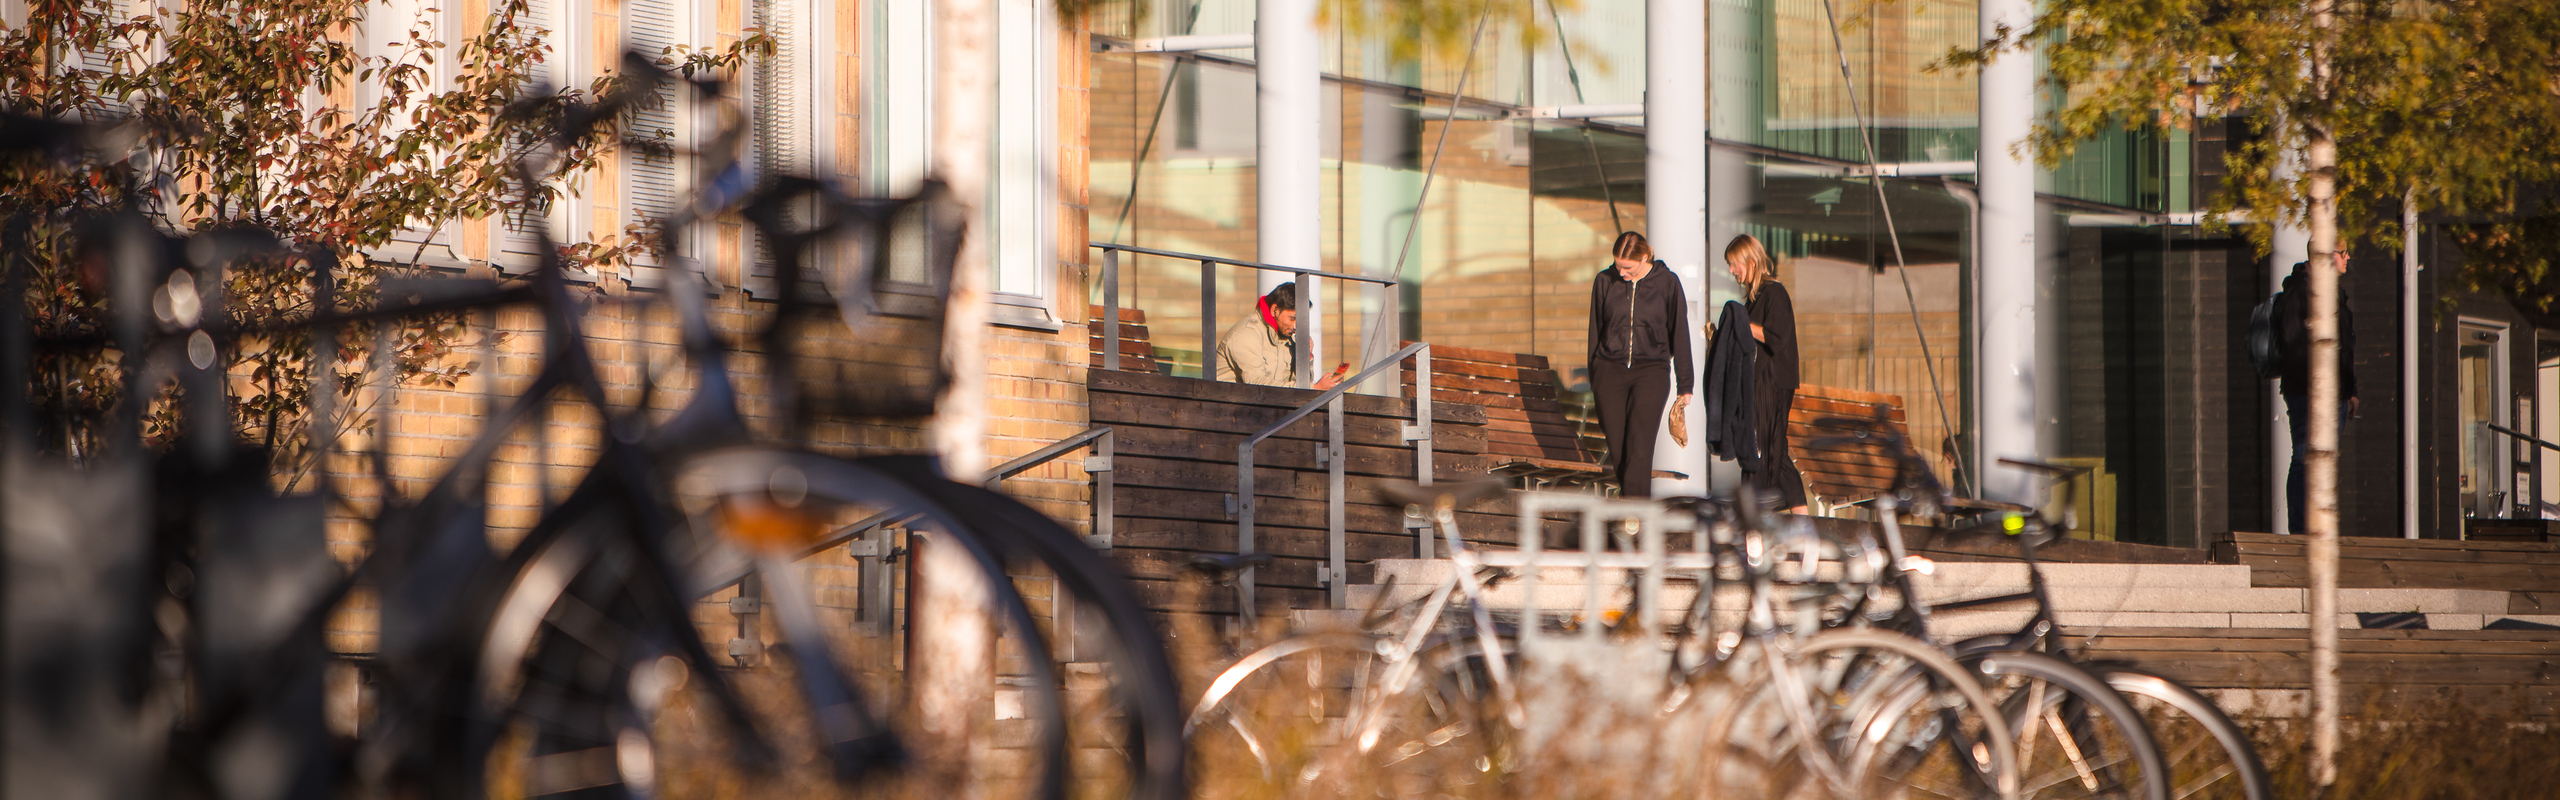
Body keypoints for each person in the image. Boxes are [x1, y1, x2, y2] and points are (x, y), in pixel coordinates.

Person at [1585, 231, 1693, 497]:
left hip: (1651, 371)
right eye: (1617, 265)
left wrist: (1685, 384)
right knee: (1620, 449)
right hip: (1609, 371)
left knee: (1639, 447)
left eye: (1627, 267)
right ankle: (1633, 513)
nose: (1621, 272)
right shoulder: (1604, 281)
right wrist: (1595, 375)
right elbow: (1595, 331)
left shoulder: (1667, 283)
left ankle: (1634, 518)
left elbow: (1680, 332)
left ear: (1645, 257)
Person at [1721, 234, 1806, 512]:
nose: (1732, 271)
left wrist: (1740, 322)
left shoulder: (1773, 293)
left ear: (1751, 261)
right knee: (1770, 451)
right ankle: (1801, 523)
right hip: (1758, 383)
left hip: (1772, 382)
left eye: (1734, 264)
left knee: (1765, 450)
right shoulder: (1752, 302)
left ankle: (1766, 518)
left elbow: (1776, 337)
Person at [2275, 253, 2358, 535]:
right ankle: (2301, 530)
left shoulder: (2335, 295)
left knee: (2323, 460)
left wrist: (2349, 392)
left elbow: (2345, 347)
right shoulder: (2300, 293)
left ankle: (2319, 527)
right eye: (2342, 251)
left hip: (2334, 395)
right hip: (2307, 393)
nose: (2347, 257)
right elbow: (2294, 344)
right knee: (2303, 457)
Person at [1217, 281, 1342, 390]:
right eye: (1292, 318)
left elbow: (1296, 388)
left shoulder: (1285, 338)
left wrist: (1304, 357)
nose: (1295, 326)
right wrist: (1314, 388)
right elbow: (1257, 385)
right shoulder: (1245, 335)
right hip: (1226, 412)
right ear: (1274, 310)